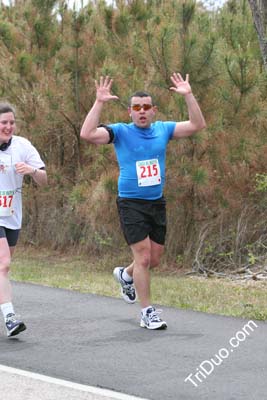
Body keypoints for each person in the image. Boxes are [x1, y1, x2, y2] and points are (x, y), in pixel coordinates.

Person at [80, 73, 206, 330]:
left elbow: (197, 125)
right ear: (130, 112)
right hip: (131, 203)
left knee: (154, 259)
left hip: (156, 202)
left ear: (153, 111)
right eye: (136, 108)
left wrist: (188, 95)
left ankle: (125, 275)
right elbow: (87, 134)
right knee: (144, 258)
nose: (142, 112)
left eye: (146, 107)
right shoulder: (120, 132)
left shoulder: (163, 129)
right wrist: (99, 102)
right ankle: (147, 312)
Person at [0, 102, 47, 337]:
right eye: (3, 123)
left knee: (2, 269)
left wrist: (32, 171)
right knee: (3, 263)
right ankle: (9, 317)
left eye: (11, 122)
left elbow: (44, 179)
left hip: (11, 215)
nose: (8, 127)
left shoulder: (22, 145)